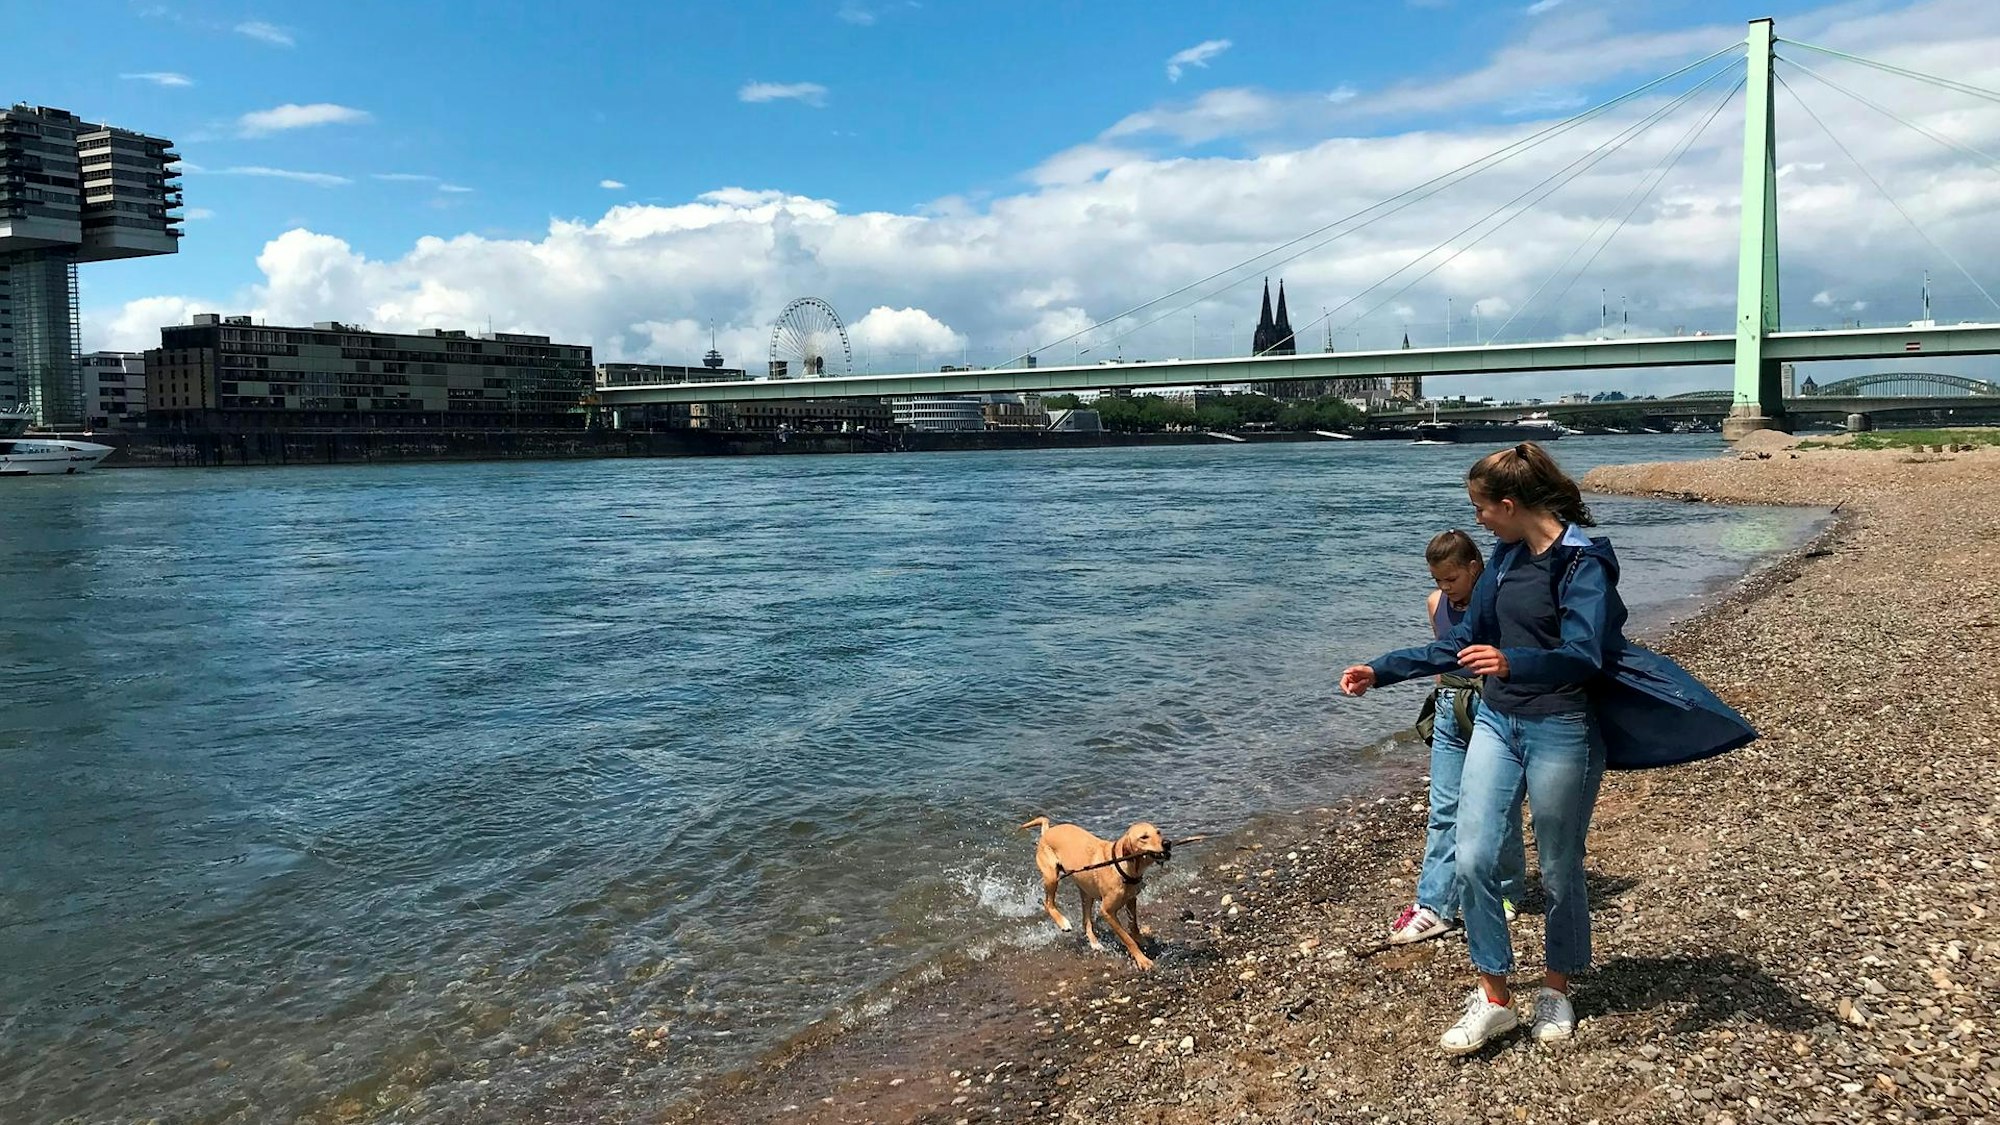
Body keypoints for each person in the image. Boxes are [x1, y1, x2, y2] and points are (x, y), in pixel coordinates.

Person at [1340, 443, 1756, 1054]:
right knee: (1475, 857)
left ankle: (1557, 988)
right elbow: (1463, 641)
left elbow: (1586, 652)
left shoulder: (1583, 561)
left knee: (1560, 869)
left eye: (1481, 508)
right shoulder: (1505, 559)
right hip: (1497, 723)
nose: (1476, 520)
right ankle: (1494, 997)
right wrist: (1383, 670)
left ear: (1509, 505)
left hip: (1562, 727)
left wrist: (1515, 662)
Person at [1390, 529, 1526, 946]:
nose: (1445, 589)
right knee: (1444, 807)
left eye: (1451, 580)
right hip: (1452, 706)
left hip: (1494, 706)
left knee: (1498, 807)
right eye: (1437, 581)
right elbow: (1442, 658)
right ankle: (1434, 906)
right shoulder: (1437, 605)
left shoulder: (1500, 601)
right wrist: (1439, 705)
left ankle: (1505, 888)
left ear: (1474, 568)